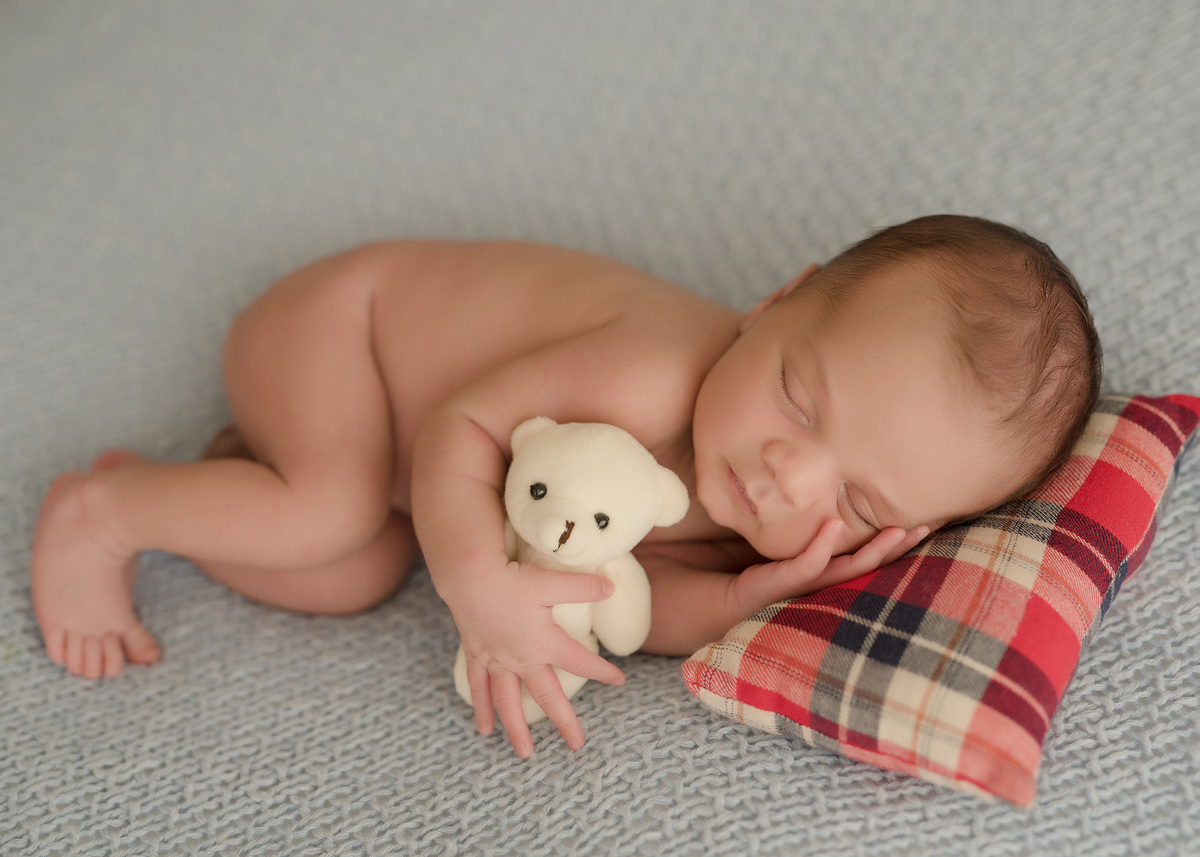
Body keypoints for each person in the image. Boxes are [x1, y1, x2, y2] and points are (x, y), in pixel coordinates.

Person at [29, 214, 1102, 757]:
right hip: (343, 332)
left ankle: (191, 490)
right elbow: (459, 426)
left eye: (859, 503)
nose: (790, 472)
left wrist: (743, 598)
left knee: (349, 572)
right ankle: (98, 513)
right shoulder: (653, 371)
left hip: (398, 467)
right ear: (779, 299)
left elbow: (628, 595)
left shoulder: (756, 514)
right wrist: (477, 586)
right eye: (798, 396)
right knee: (333, 509)